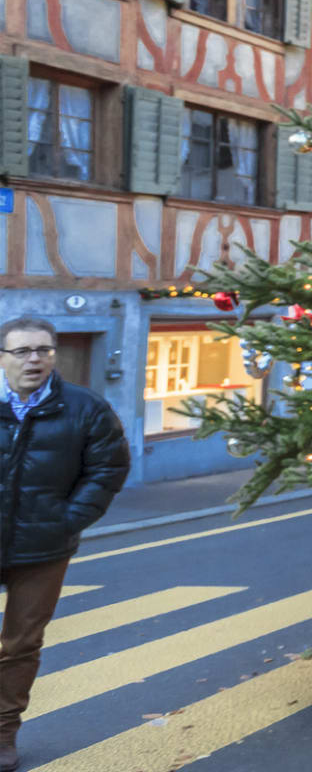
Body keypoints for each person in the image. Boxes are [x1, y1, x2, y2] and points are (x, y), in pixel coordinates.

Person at [0, 317, 129, 770]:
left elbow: (109, 469)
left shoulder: (85, 407)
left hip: (43, 548)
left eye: (44, 350)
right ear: (2, 358)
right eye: (22, 351)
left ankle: (3, 733)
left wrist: (68, 520)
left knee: (20, 644)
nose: (35, 359)